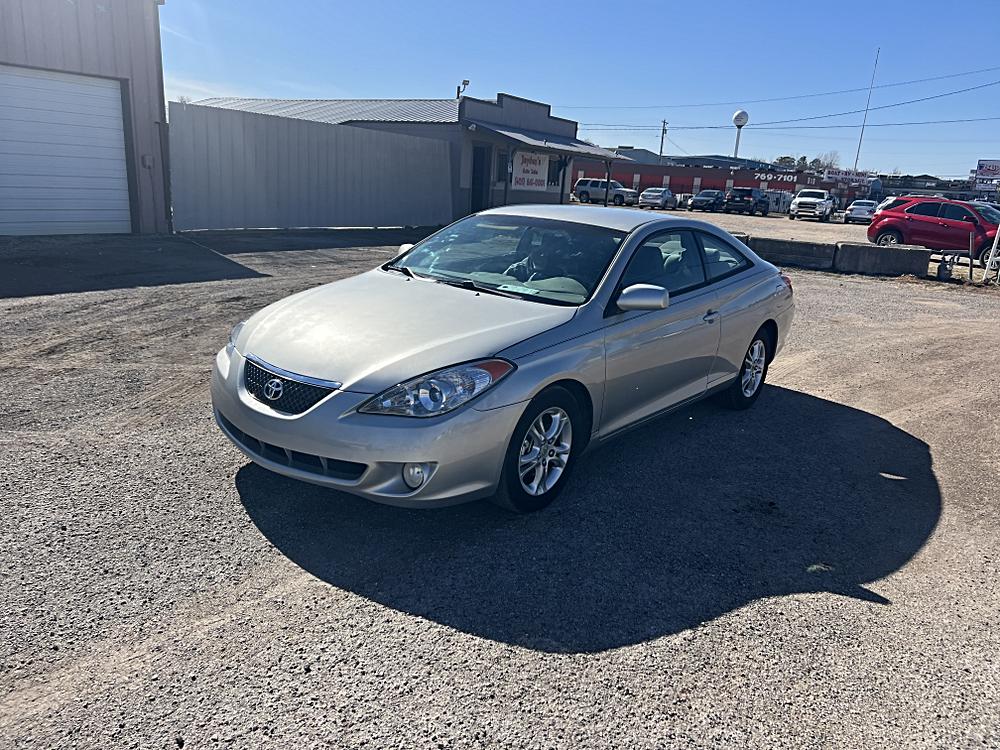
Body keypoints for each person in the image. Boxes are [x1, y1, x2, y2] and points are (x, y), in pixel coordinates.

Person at [504, 232, 569, 282]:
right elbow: (502, 282)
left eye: (555, 250)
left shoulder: (563, 272)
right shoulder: (517, 269)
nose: (544, 254)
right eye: (541, 250)